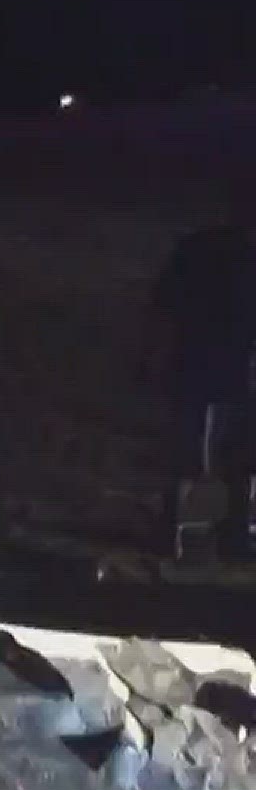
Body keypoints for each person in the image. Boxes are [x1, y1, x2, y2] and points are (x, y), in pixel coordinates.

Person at [150, 198, 256, 559]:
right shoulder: (220, 252)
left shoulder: (201, 248)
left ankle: (174, 530)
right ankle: (231, 535)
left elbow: (164, 299)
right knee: (229, 452)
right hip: (224, 364)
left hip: (202, 361)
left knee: (197, 448)